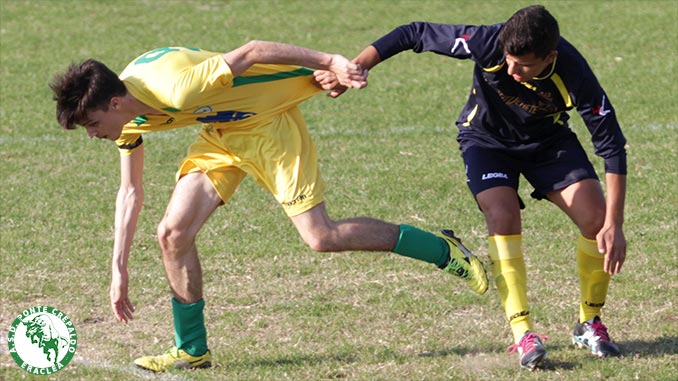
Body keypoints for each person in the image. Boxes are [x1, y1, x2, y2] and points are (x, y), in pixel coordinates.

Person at [50, 40, 489, 372]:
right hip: (221, 132)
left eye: (92, 124)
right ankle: (192, 349)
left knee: (322, 237)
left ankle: (443, 249)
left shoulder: (176, 89)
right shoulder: (128, 117)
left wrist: (329, 62)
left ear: (114, 102)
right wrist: (118, 267)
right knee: (172, 234)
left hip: (269, 126)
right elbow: (130, 191)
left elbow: (254, 51)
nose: (92, 135)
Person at [317, 5, 627, 371]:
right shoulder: (487, 42)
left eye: (524, 65)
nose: (511, 71)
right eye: (508, 61)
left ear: (550, 57)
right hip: (486, 141)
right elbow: (413, 32)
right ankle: (523, 332)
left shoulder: (575, 73)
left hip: (549, 143)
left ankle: (589, 322)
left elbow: (611, 147)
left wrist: (614, 223)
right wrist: (356, 66)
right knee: (502, 212)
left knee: (594, 220)